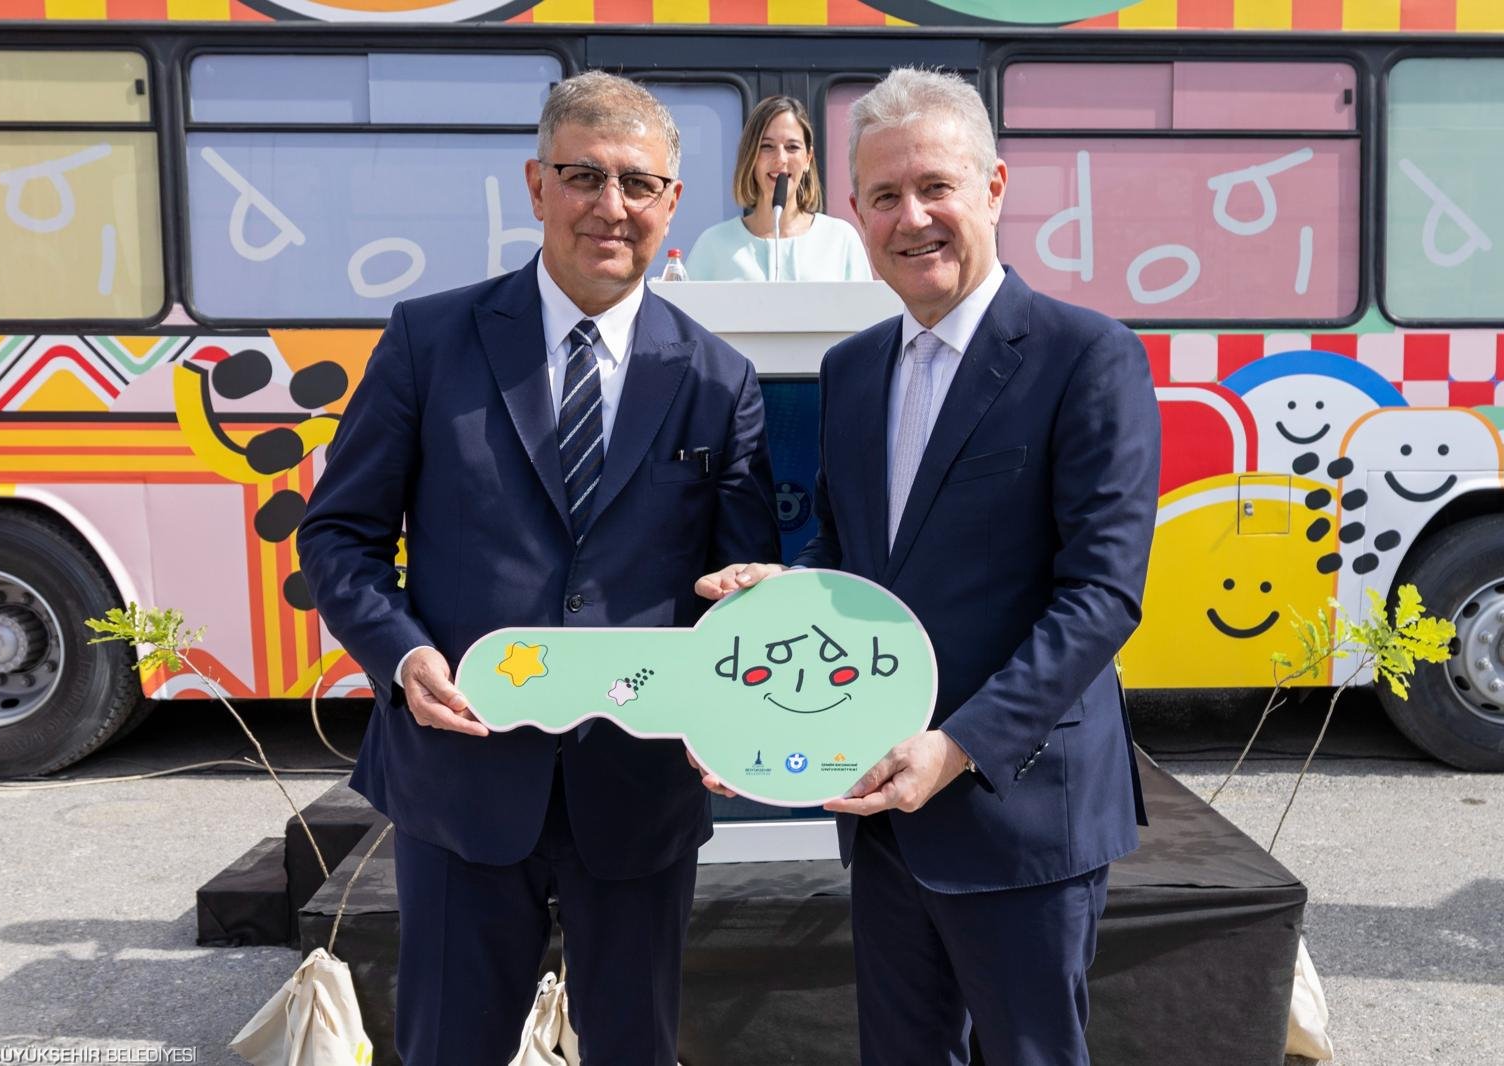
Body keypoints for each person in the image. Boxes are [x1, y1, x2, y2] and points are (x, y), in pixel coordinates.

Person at [298, 71, 780, 1066]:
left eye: (639, 183)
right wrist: (402, 656)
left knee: (634, 1048)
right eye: (584, 176)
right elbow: (338, 534)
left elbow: (737, 581)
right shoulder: (431, 341)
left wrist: (741, 685)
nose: (612, 206)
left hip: (638, 792)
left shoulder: (718, 380)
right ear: (536, 185)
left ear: (672, 202)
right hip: (462, 782)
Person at [694, 68, 1159, 1066]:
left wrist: (957, 747)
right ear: (856, 213)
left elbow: (1102, 595)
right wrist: (786, 600)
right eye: (885, 195)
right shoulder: (852, 367)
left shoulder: (1087, 356)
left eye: (935, 186)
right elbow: (844, 554)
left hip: (1019, 809)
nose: (912, 218)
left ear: (993, 187)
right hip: (882, 809)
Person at [684, 95, 870, 282]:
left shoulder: (840, 239)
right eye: (767, 146)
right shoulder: (713, 245)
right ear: (751, 156)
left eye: (792, 147)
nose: (780, 159)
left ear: (808, 158)